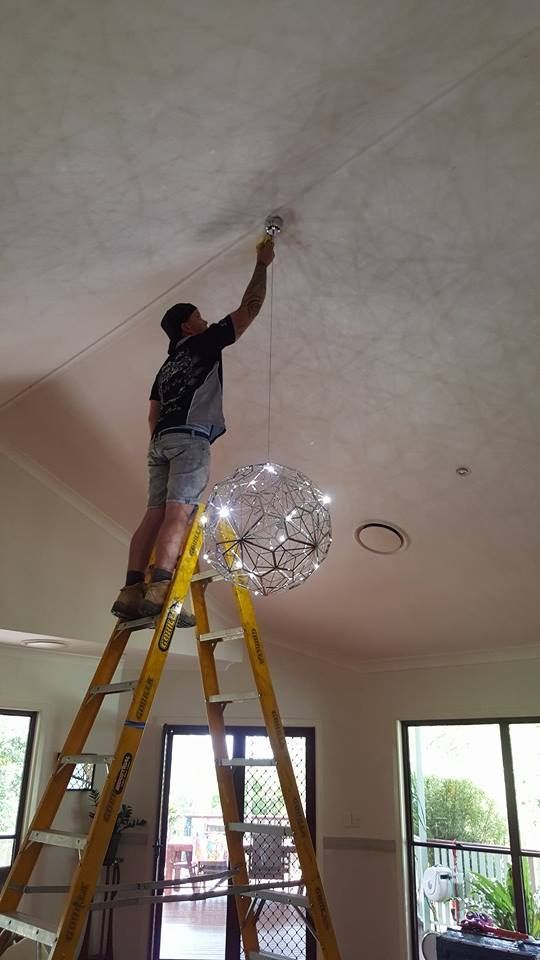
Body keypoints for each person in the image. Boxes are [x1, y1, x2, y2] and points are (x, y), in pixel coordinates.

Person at [111, 237, 275, 622]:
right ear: (188, 324)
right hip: (190, 439)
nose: (205, 320)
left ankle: (131, 590)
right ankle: (161, 589)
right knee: (178, 515)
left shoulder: (164, 368)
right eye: (199, 316)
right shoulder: (204, 342)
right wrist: (263, 265)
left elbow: (152, 414)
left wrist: (160, 442)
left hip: (161, 441)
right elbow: (248, 311)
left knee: (152, 514)